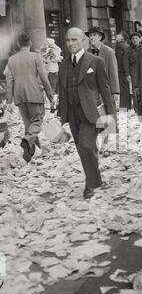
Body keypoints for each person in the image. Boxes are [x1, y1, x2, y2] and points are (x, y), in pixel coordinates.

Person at [58, 28, 115, 199]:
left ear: (83, 40)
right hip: (72, 113)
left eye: (74, 39)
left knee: (85, 146)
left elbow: (105, 89)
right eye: (68, 40)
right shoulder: (64, 64)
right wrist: (60, 116)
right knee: (83, 148)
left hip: (90, 113)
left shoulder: (95, 61)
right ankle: (96, 179)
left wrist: (111, 116)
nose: (70, 44)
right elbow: (63, 90)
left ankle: (90, 184)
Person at [4, 33, 54, 162]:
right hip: (34, 94)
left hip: (19, 97)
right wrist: (50, 95)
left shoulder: (11, 60)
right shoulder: (36, 57)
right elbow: (44, 78)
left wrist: (9, 101)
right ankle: (27, 141)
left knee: (28, 124)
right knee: (37, 121)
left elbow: (9, 82)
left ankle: (30, 152)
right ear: (30, 44)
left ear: (18, 44)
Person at [86, 26, 120, 106]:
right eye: (90, 36)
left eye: (94, 35)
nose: (91, 38)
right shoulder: (86, 53)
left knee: (107, 115)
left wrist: (115, 91)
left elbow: (113, 72)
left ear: (100, 37)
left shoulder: (109, 52)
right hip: (92, 92)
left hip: (106, 90)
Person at [127, 33, 142, 113]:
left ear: (139, 39)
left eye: (136, 38)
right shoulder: (128, 50)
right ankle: (137, 110)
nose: (135, 40)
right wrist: (127, 74)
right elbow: (125, 62)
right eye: (133, 39)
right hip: (133, 71)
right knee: (135, 91)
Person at [115, 31, 131, 110]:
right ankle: (128, 106)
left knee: (122, 89)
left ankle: (123, 106)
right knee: (126, 88)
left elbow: (119, 59)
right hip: (126, 70)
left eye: (119, 35)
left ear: (123, 38)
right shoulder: (127, 45)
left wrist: (117, 69)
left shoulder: (119, 46)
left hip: (121, 70)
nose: (117, 36)